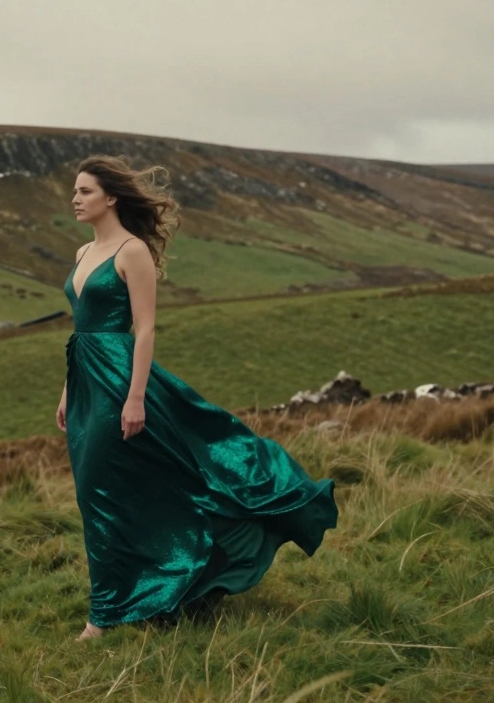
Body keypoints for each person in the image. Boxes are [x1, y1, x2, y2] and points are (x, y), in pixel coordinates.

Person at [55, 155, 339, 642]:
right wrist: (66, 390)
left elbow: (143, 331)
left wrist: (136, 398)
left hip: (120, 384)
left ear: (111, 197)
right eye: (75, 191)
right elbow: (81, 331)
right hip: (85, 385)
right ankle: (160, 587)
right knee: (107, 494)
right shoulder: (84, 253)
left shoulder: (132, 251)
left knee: (103, 495)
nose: (75, 199)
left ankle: (100, 618)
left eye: (84, 191)